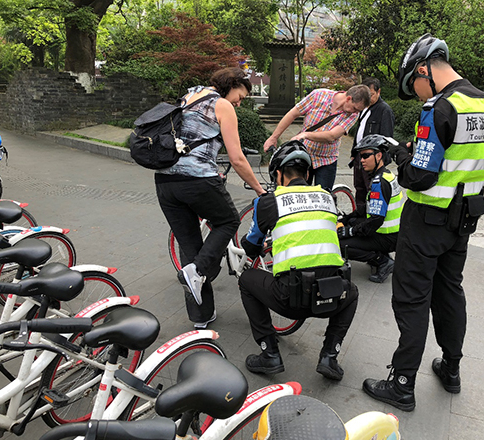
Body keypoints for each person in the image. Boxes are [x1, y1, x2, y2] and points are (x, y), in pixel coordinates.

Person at [362, 34, 484, 411]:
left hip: (426, 220)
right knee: (449, 291)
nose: (417, 93)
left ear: (423, 69)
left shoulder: (439, 107)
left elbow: (418, 177)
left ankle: (402, 384)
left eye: (414, 84)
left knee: (411, 298)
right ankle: (451, 369)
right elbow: (471, 161)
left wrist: (401, 156)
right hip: (464, 219)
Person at [155, 67, 266, 329]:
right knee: (228, 221)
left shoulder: (189, 96)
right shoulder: (222, 104)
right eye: (240, 96)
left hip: (165, 182)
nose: (239, 102)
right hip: (196, 181)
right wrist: (259, 189)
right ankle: (198, 271)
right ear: (232, 84)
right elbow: (237, 158)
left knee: (190, 246)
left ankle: (201, 317)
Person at [238, 140, 359, 381]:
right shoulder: (328, 198)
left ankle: (269, 353)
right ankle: (329, 355)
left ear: (278, 174)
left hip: (290, 299)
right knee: (353, 293)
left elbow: (250, 247)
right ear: (308, 174)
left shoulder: (269, 201)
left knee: (246, 280)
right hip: (332, 296)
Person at [263, 85, 371, 191]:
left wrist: (306, 135)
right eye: (355, 108)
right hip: (304, 155)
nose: (355, 112)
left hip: (327, 159)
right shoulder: (318, 95)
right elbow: (293, 114)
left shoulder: (353, 115)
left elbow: (332, 135)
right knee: (298, 193)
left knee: (324, 196)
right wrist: (274, 137)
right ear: (348, 99)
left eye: (358, 111)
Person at [337, 134, 404, 283]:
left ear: (379, 156)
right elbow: (368, 208)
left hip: (387, 236)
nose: (362, 160)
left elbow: (375, 221)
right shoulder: (386, 175)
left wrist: (350, 231)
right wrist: (348, 218)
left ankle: (382, 261)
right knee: (353, 222)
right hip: (392, 232)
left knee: (341, 245)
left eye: (366, 155)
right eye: (361, 156)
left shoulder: (380, 183)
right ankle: (380, 254)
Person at [350, 78, 395, 210]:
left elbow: (386, 138)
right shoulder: (363, 108)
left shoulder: (384, 110)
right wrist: (353, 152)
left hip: (373, 158)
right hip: (359, 156)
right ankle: (360, 214)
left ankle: (371, 215)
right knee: (359, 188)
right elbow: (359, 132)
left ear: (378, 92)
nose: (368, 98)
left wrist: (380, 161)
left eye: (371, 95)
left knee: (371, 189)